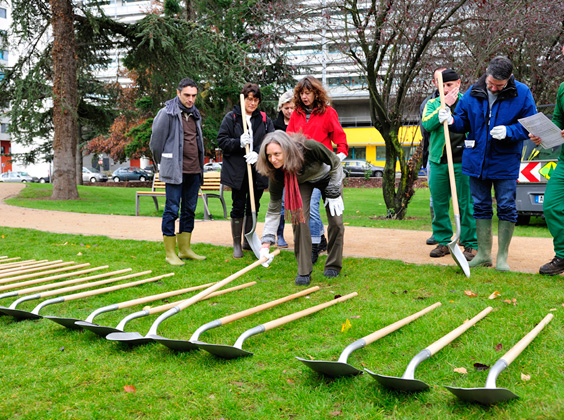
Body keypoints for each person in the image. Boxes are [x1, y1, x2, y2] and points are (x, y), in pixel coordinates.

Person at [439, 56, 537, 271]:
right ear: (486, 73)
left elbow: (531, 126)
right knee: (481, 206)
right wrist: (452, 119)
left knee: (506, 206)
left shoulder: (522, 93)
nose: (493, 88)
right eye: (491, 83)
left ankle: (502, 257)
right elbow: (463, 122)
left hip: (505, 160)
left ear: (510, 78)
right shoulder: (474, 91)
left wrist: (510, 131)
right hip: (476, 160)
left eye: (499, 86)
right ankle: (483, 254)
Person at [256, 131, 345, 286]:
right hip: (302, 182)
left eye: (277, 154)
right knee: (299, 219)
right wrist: (266, 242)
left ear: (287, 149)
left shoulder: (309, 147)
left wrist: (334, 190)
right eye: (269, 156)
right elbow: (274, 208)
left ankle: (333, 264)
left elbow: (335, 162)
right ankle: (304, 270)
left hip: (328, 177)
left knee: (336, 222)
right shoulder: (276, 172)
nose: (273, 159)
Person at [287, 76, 348, 264]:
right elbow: (288, 141)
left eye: (308, 93)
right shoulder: (296, 114)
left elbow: (341, 140)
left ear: (316, 93)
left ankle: (333, 262)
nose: (305, 97)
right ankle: (309, 255)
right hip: (303, 174)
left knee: (337, 223)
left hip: (326, 172)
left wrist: (339, 158)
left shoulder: (328, 113)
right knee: (302, 217)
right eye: (302, 94)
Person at [149, 77, 206, 266]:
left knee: (189, 210)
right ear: (178, 93)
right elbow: (155, 144)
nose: (190, 99)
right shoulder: (167, 113)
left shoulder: (195, 114)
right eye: (187, 95)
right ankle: (170, 253)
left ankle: (185, 249)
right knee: (172, 210)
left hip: (194, 170)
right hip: (175, 172)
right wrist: (164, 163)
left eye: (194, 96)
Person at [422, 69, 477, 261]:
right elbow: (427, 125)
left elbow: (473, 124)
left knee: (465, 204)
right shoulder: (432, 104)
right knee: (439, 204)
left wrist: (454, 109)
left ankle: (470, 244)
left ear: (458, 83)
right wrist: (441, 111)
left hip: (462, 161)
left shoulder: (468, 101)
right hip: (438, 161)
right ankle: (444, 241)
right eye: (442, 85)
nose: (445, 89)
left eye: (449, 85)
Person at [217, 83, 275, 258]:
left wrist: (258, 153)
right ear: (244, 99)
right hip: (237, 172)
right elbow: (222, 140)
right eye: (249, 99)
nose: (252, 103)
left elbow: (271, 139)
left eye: (256, 99)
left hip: (257, 170)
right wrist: (238, 142)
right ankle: (236, 244)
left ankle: (248, 240)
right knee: (238, 205)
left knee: (254, 205)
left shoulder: (264, 119)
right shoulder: (232, 117)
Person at [529, 45, 564, 275]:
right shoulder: (563, 88)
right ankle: (562, 255)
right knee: (551, 205)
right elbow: (558, 121)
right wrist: (542, 135)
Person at [419, 67, 446, 246]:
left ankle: (467, 236)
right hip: (434, 156)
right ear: (434, 83)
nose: (443, 84)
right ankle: (438, 233)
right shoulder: (427, 103)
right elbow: (426, 129)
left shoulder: (464, 100)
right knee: (435, 196)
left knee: (464, 198)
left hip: (461, 156)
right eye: (439, 80)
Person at [272, 90, 295, 248]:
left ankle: (299, 234)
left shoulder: (300, 122)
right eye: (286, 108)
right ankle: (279, 234)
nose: (289, 111)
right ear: (281, 108)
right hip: (279, 171)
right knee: (280, 204)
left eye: (292, 107)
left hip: (295, 169)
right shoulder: (274, 125)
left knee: (296, 202)